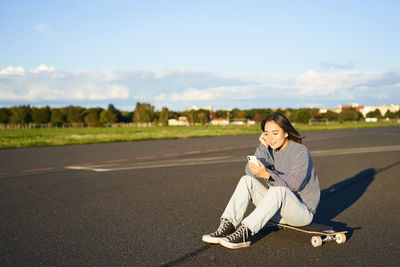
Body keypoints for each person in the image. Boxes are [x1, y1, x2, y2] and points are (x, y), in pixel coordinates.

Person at [202, 112, 320, 249]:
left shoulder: (300, 151)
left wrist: (267, 175)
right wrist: (263, 147)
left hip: (302, 213)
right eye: (266, 134)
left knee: (279, 190)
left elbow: (296, 183)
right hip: (278, 211)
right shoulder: (270, 150)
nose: (271, 138)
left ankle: (246, 232)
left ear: (286, 132)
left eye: (275, 133)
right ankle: (228, 226)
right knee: (246, 180)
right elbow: (249, 170)